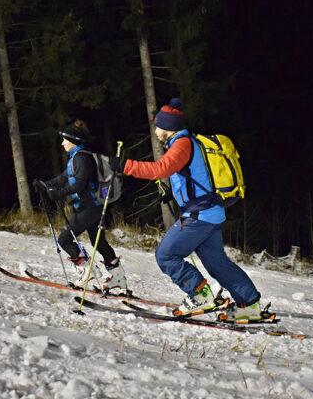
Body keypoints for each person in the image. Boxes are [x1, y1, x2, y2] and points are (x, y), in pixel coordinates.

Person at [110, 99, 262, 320]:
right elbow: (192, 176)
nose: (155, 130)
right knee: (217, 264)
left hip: (199, 215)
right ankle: (250, 305)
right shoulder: (186, 142)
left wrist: (126, 166)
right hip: (210, 212)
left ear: (168, 127)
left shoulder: (182, 144)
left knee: (166, 255)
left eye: (157, 125)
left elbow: (161, 169)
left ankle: (200, 295)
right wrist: (175, 194)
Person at [33, 120, 127, 292]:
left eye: (65, 140)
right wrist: (46, 185)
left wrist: (58, 193)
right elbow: (65, 177)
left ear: (73, 140)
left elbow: (78, 185)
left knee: (65, 239)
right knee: (99, 242)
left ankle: (86, 270)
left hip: (88, 208)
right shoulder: (77, 157)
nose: (62, 143)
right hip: (93, 206)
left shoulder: (81, 158)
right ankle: (118, 277)